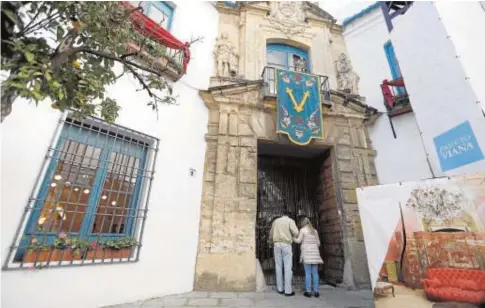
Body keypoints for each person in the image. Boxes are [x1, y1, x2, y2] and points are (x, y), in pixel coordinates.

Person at [270, 210, 299, 296]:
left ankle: (280, 289)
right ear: (289, 215)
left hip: (276, 244)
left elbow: (271, 234)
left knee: (278, 266)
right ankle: (288, 290)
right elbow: (296, 233)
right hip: (286, 244)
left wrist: (271, 241)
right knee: (287, 267)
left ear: (282, 215)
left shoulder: (275, 221)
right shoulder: (290, 221)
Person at [294, 217, 323, 298]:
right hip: (315, 254)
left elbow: (299, 241)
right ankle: (316, 292)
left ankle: (308, 292)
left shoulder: (302, 230)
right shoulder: (315, 231)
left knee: (308, 273)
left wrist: (293, 238)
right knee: (315, 273)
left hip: (307, 253)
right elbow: (318, 243)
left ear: (303, 223)